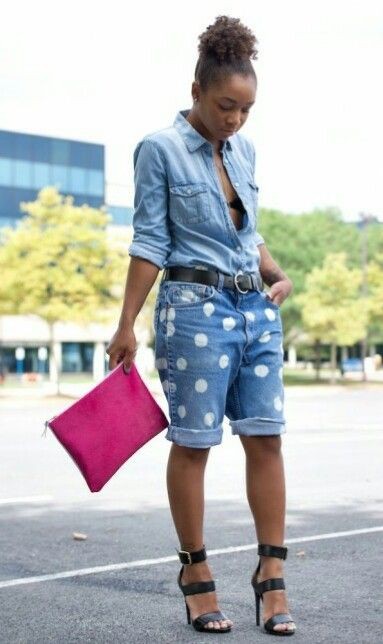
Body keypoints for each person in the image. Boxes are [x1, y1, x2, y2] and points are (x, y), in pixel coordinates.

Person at [107, 15, 296, 636]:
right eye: (225, 106)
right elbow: (149, 241)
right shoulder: (159, 149)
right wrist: (126, 325)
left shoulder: (245, 150)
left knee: (266, 439)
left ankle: (271, 579)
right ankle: (195, 573)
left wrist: (275, 272)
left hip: (254, 310)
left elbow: (249, 229)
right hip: (193, 313)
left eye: (245, 109)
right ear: (196, 90)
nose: (235, 120)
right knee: (194, 443)